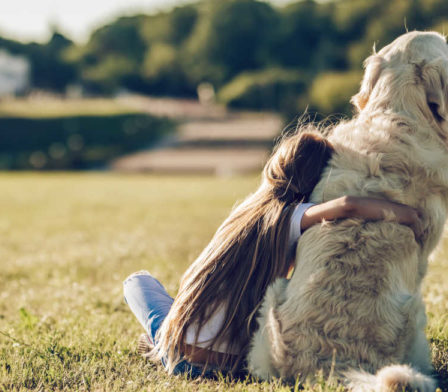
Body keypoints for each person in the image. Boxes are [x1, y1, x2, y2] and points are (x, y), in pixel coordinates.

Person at [123, 130, 421, 378]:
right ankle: (159, 342)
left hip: (181, 357)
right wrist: (409, 215)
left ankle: (159, 343)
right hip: (235, 364)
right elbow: (348, 205)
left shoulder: (246, 213)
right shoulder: (292, 217)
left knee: (137, 282)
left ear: (277, 164)